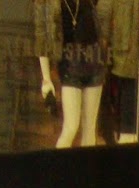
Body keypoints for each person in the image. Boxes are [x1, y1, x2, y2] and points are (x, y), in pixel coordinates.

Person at [35, 0, 117, 147]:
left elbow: (103, 23)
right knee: (71, 127)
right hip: (70, 66)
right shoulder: (49, 3)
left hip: (94, 62)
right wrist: (46, 79)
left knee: (89, 127)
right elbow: (42, 39)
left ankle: (86, 162)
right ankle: (58, 162)